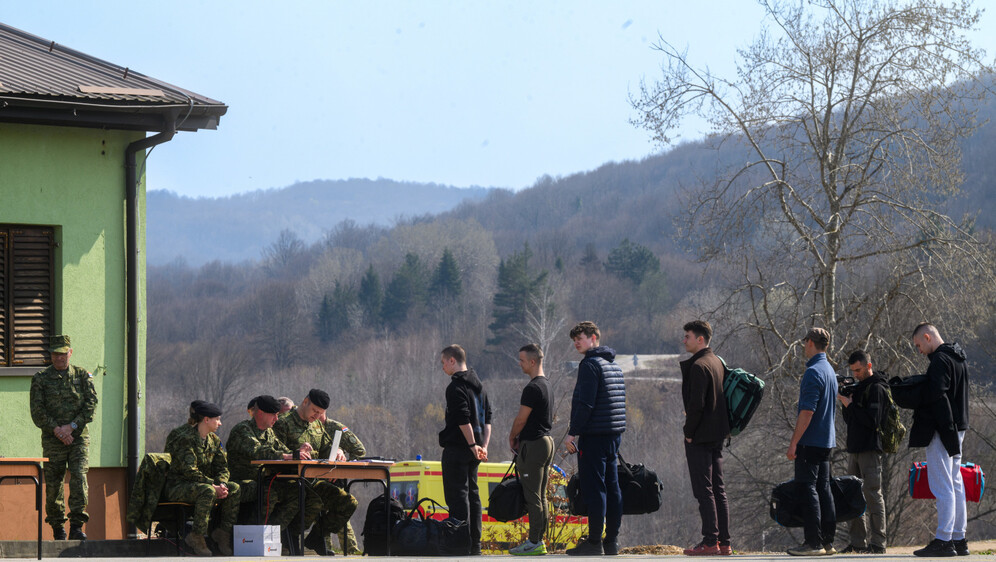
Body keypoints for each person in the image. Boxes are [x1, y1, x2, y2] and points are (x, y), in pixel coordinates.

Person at [564, 321, 626, 556]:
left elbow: (586, 403)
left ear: (593, 338)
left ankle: (593, 541)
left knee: (594, 488)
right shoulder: (613, 365)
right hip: (613, 435)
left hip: (593, 436)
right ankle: (611, 541)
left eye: (580, 338)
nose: (576, 343)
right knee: (613, 487)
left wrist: (573, 432)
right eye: (574, 340)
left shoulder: (590, 365)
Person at [29, 334, 98, 541]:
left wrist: (71, 427)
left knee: (79, 477)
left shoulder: (82, 376)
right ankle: (58, 529)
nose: (59, 358)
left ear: (70, 352)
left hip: (77, 439)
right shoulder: (40, 378)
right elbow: (37, 410)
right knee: (53, 484)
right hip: (53, 440)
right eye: (55, 354)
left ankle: (77, 526)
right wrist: (57, 430)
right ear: (50, 355)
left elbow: (91, 405)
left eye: (62, 353)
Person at [272, 389, 357, 556]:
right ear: (305, 402)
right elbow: (275, 453)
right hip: (289, 480)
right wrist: (296, 453)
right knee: (313, 501)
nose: (317, 416)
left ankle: (317, 537)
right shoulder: (283, 423)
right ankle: (291, 537)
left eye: (321, 413)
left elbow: (326, 447)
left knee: (348, 502)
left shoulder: (317, 424)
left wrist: (338, 451)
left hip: (312, 481)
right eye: (315, 411)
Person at [910, 323, 970, 557]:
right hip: (959, 427)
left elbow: (936, 396)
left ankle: (944, 539)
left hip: (943, 429)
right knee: (955, 483)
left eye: (919, 345)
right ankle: (959, 538)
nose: (919, 351)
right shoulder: (958, 357)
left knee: (942, 483)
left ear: (927, 337)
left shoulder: (939, 361)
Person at [678, 321, 732, 556]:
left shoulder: (699, 366)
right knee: (718, 489)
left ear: (700, 339)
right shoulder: (717, 361)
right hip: (718, 434)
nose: (684, 340)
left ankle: (710, 541)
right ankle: (725, 542)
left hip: (700, 436)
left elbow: (696, 405)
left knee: (705, 490)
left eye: (687, 336)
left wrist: (688, 433)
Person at [163, 400, 242, 556]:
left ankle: (222, 533)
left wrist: (222, 484)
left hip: (201, 485)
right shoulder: (186, 439)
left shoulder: (214, 440)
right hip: (179, 486)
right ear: (206, 419)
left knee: (235, 488)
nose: (220, 423)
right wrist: (213, 486)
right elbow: (189, 471)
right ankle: (197, 536)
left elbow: (222, 467)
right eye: (217, 419)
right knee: (207, 491)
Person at [786, 327, 838, 556]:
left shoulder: (813, 372)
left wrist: (794, 442)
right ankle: (828, 541)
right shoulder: (829, 370)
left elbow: (807, 411)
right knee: (823, 488)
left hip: (811, 440)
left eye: (804, 341)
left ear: (810, 343)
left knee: (807, 488)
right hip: (827, 440)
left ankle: (813, 543)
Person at [226, 395, 310, 536]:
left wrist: (298, 452)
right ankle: (249, 536)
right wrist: (289, 456)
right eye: (273, 415)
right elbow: (257, 451)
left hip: (264, 479)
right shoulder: (242, 430)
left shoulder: (269, 433)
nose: (276, 419)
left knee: (298, 492)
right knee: (269, 492)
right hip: (243, 480)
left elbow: (283, 451)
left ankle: (272, 535)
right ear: (260, 413)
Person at [439, 344, 493, 556]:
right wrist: (483, 446)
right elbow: (488, 419)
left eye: (444, 362)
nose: (443, 367)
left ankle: (459, 543)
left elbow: (462, 420)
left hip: (459, 448)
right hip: (476, 450)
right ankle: (475, 544)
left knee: (457, 495)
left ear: (453, 360)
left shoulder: (456, 387)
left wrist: (472, 445)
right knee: (473, 495)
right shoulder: (481, 387)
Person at [839, 350, 889, 554]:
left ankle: (878, 543)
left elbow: (872, 421)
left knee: (872, 494)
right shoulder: (859, 387)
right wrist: (846, 402)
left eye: (858, 370)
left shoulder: (877, 388)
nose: (856, 374)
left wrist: (850, 406)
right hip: (855, 448)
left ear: (869, 366)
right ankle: (858, 542)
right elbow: (850, 419)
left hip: (870, 448)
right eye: (853, 371)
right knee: (853, 495)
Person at [507, 343, 554, 556]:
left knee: (532, 496)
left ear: (533, 362)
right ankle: (539, 540)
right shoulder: (547, 385)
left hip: (533, 444)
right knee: (541, 495)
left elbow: (521, 419)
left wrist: (512, 436)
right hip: (547, 441)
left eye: (522, 360)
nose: (520, 364)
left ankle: (534, 541)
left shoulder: (532, 388)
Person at [318, 411, 367, 555]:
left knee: (339, 514)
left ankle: (351, 551)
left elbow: (359, 451)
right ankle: (324, 549)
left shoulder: (335, 427)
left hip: (334, 478)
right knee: (319, 514)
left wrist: (341, 469)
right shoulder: (307, 427)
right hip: (314, 478)